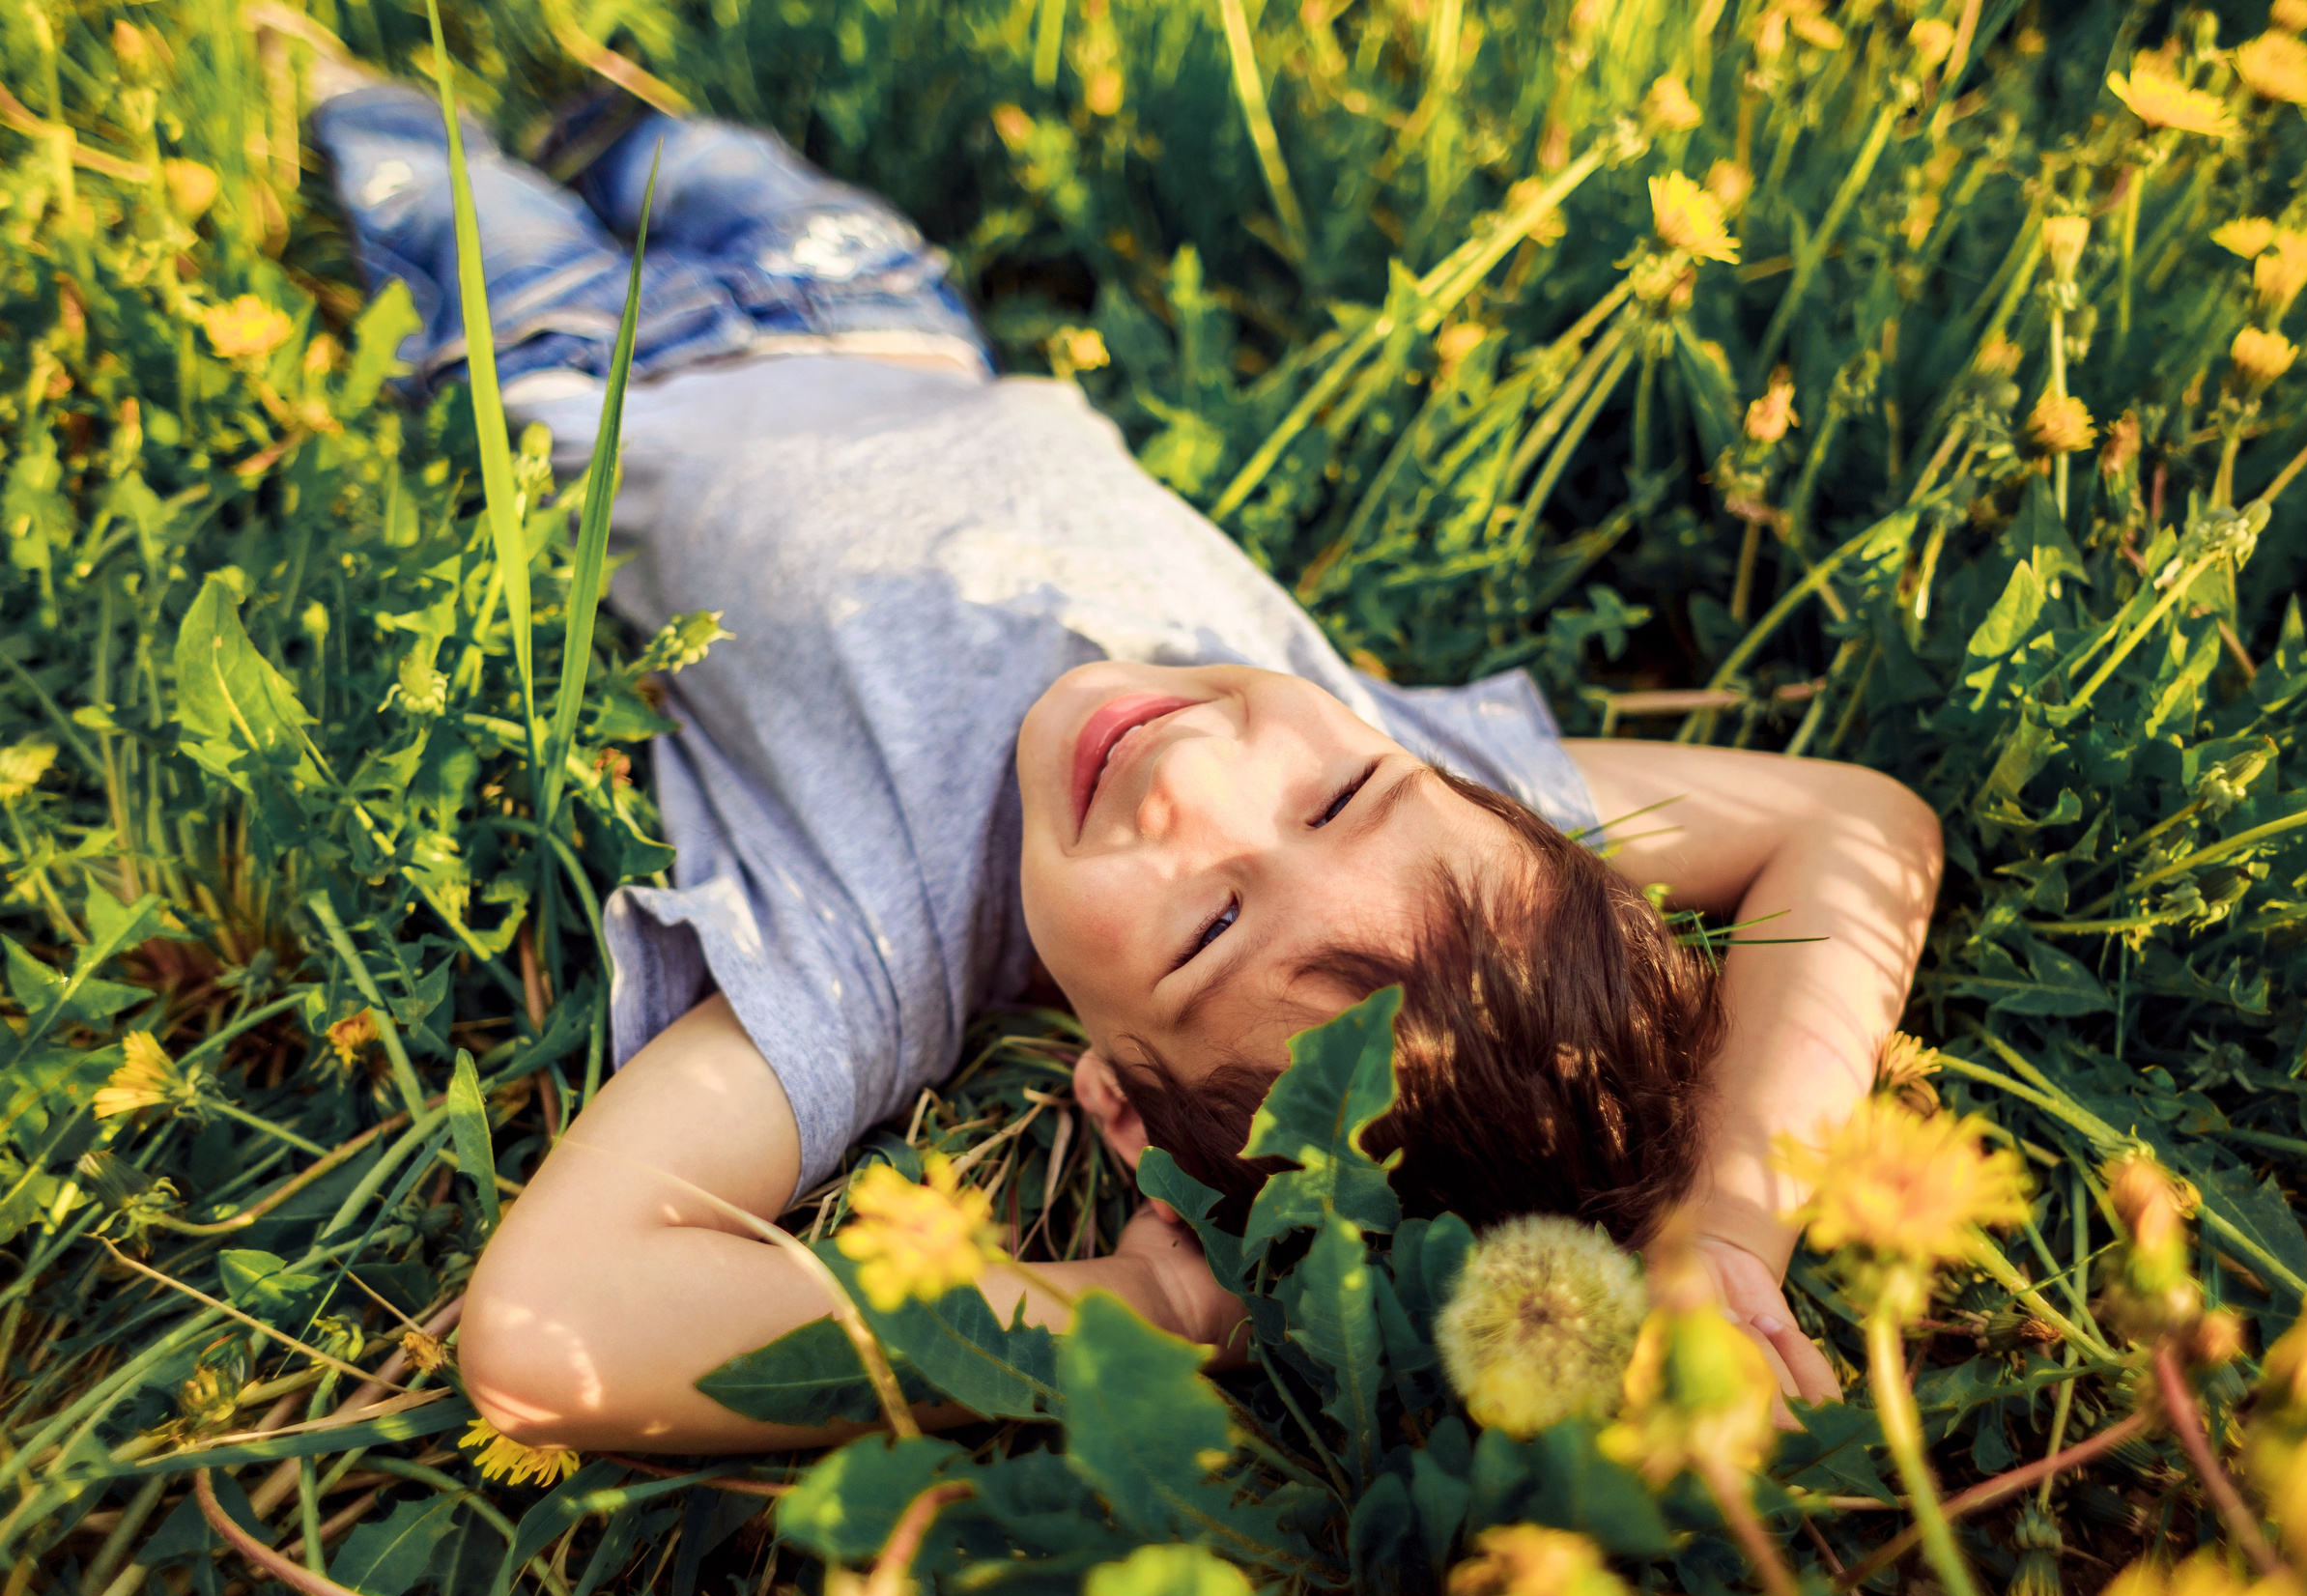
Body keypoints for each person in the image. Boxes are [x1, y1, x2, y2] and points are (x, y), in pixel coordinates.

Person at [298, 48, 1941, 1454]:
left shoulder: (880, 948)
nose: (1196, 782)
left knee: (421, 172)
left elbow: (548, 1328)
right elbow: (1857, 828)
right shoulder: (1421, 760)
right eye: (1342, 789)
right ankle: (604, 111)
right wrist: (1731, 1212)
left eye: (1212, 924)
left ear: (1120, 1109)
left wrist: (1137, 1310)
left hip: (577, 363)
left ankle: (328, 76)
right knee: (682, 147)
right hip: (876, 314)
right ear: (1456, 781)